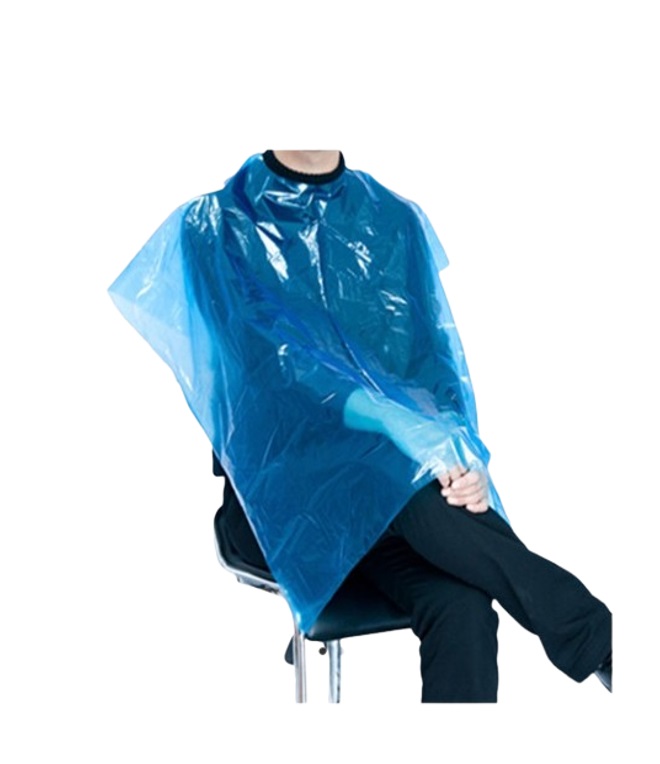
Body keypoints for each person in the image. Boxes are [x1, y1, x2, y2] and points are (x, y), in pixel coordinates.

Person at [110, 149, 612, 702]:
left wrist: (457, 454)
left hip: (402, 505)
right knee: (399, 477)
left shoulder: (394, 220)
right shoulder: (216, 226)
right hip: (280, 502)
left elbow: (434, 369)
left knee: (464, 603)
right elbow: (268, 370)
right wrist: (389, 419)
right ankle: (603, 644)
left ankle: (599, 644)